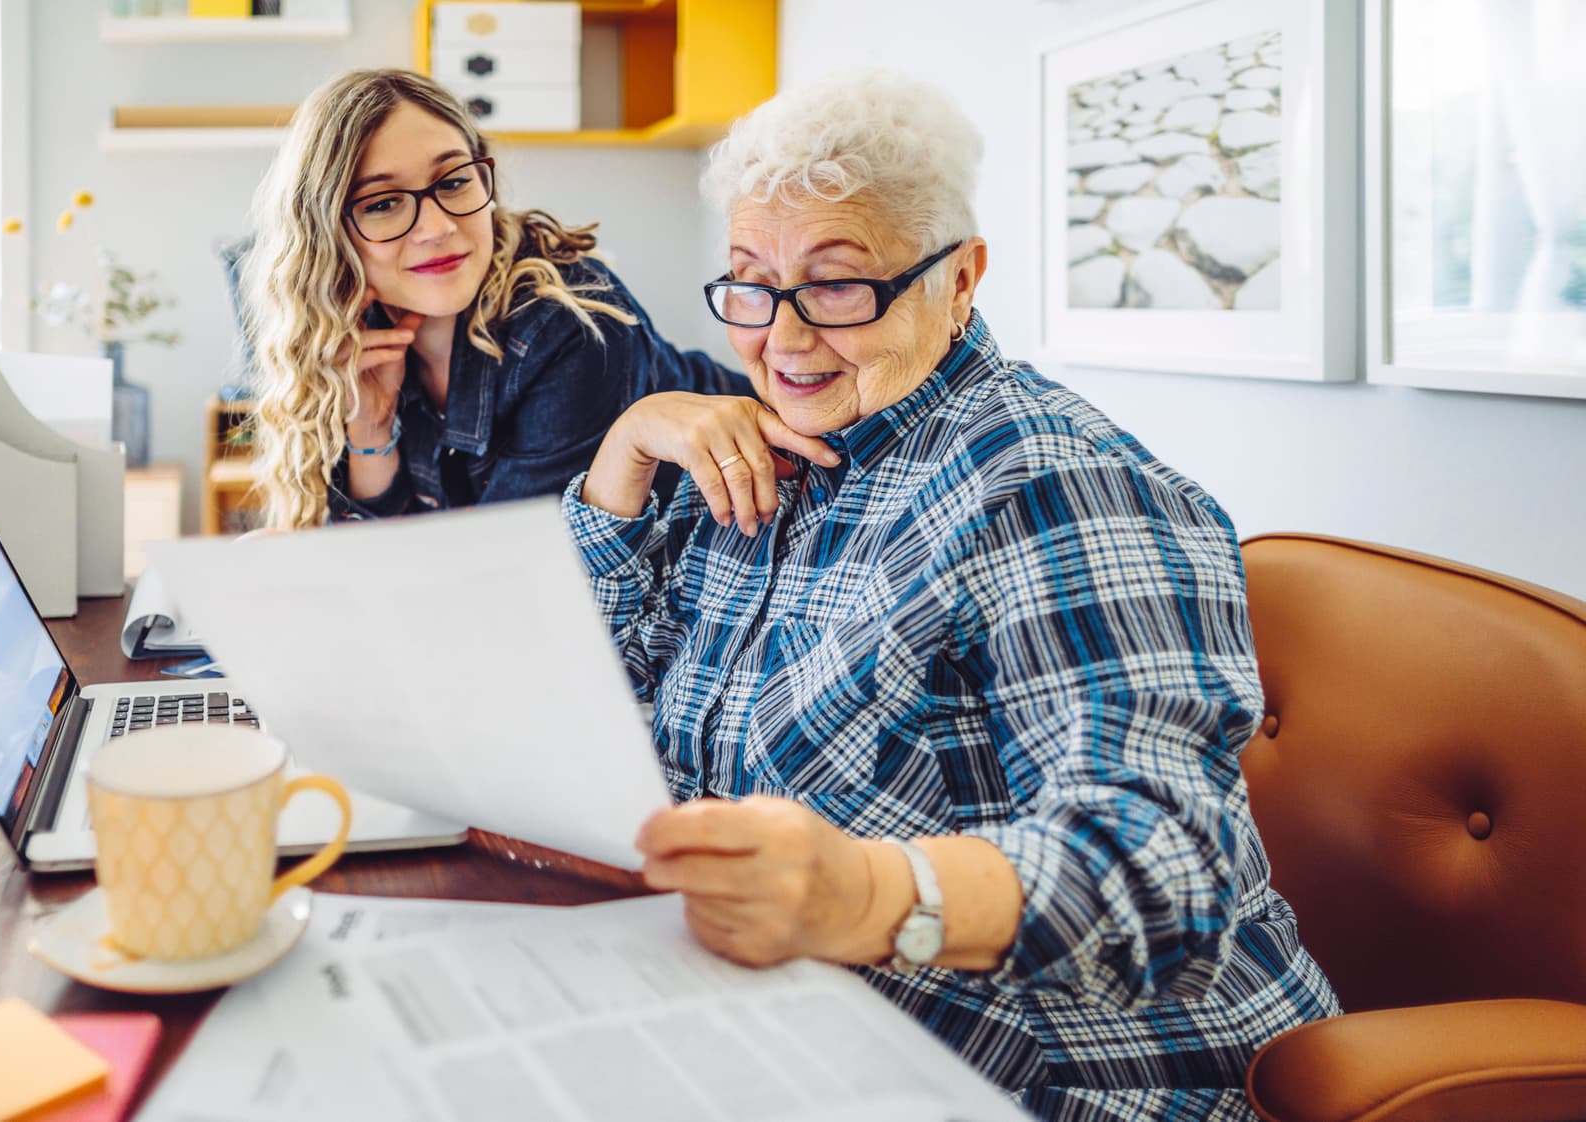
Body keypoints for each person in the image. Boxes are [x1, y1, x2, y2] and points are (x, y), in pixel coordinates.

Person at [565, 70, 1338, 1119]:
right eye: (749, 281)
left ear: (961, 278)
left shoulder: (1051, 482)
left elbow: (1171, 868)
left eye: (838, 286)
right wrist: (622, 461)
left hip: (1078, 1086)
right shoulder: (779, 450)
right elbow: (614, 691)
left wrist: (872, 895)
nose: (781, 339)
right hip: (810, 1032)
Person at [242, 68, 742, 529]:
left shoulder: (569, 325)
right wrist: (371, 428)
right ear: (327, 233)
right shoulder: (353, 332)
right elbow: (390, 557)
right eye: (383, 203)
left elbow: (506, 574)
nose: (437, 228)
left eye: (454, 181)